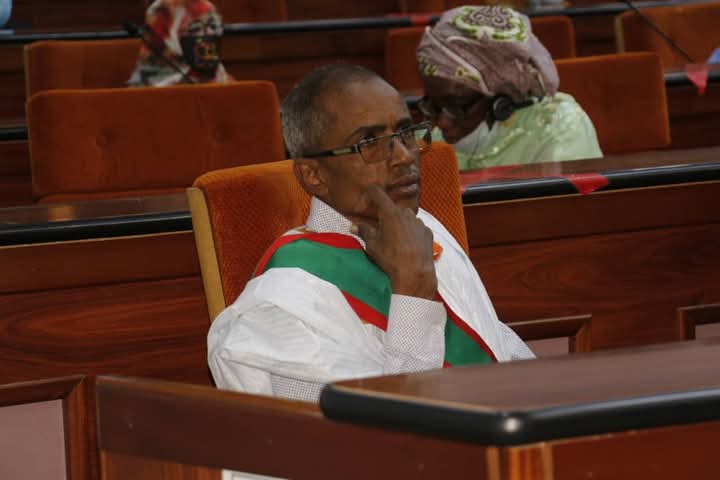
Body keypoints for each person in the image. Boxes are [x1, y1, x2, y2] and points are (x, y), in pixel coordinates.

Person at [207, 64, 534, 402]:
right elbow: (386, 428)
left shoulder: (424, 227)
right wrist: (413, 292)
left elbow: (496, 345)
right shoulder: (281, 307)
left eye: (405, 133)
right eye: (370, 143)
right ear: (313, 175)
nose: (404, 156)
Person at [416, 5, 602, 171]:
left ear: (501, 103)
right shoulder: (432, 140)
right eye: (432, 104)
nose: (441, 123)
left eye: (456, 106)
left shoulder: (558, 129)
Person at [127, 0, 232, 87]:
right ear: (164, 37)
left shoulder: (219, 77)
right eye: (196, 28)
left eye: (213, 26)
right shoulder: (141, 93)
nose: (209, 33)